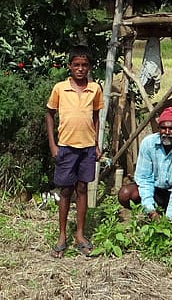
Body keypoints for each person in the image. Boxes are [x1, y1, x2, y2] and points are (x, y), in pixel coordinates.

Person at [45, 44, 103, 257]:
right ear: (69, 66)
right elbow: (49, 115)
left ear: (89, 67)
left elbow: (96, 117)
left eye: (84, 65)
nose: (80, 69)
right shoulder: (60, 88)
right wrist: (53, 145)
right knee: (65, 190)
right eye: (76, 65)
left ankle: (79, 234)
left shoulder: (95, 88)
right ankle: (62, 236)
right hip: (66, 147)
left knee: (82, 188)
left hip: (87, 148)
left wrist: (96, 144)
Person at [117, 106, 172, 222]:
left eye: (171, 128)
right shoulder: (148, 144)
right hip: (154, 190)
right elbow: (144, 179)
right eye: (163, 128)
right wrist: (150, 210)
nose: (167, 132)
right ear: (158, 129)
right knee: (125, 194)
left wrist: (168, 218)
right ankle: (148, 215)